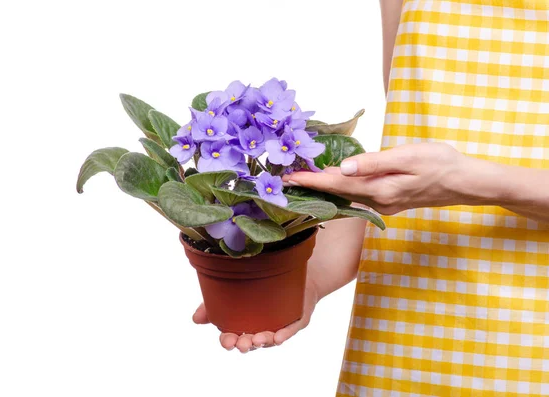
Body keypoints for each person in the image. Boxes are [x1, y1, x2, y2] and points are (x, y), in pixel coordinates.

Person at [194, 0, 549, 394]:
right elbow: (410, 144)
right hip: (404, 332)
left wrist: (473, 181)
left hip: (533, 336)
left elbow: (442, 176)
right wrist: (308, 278)